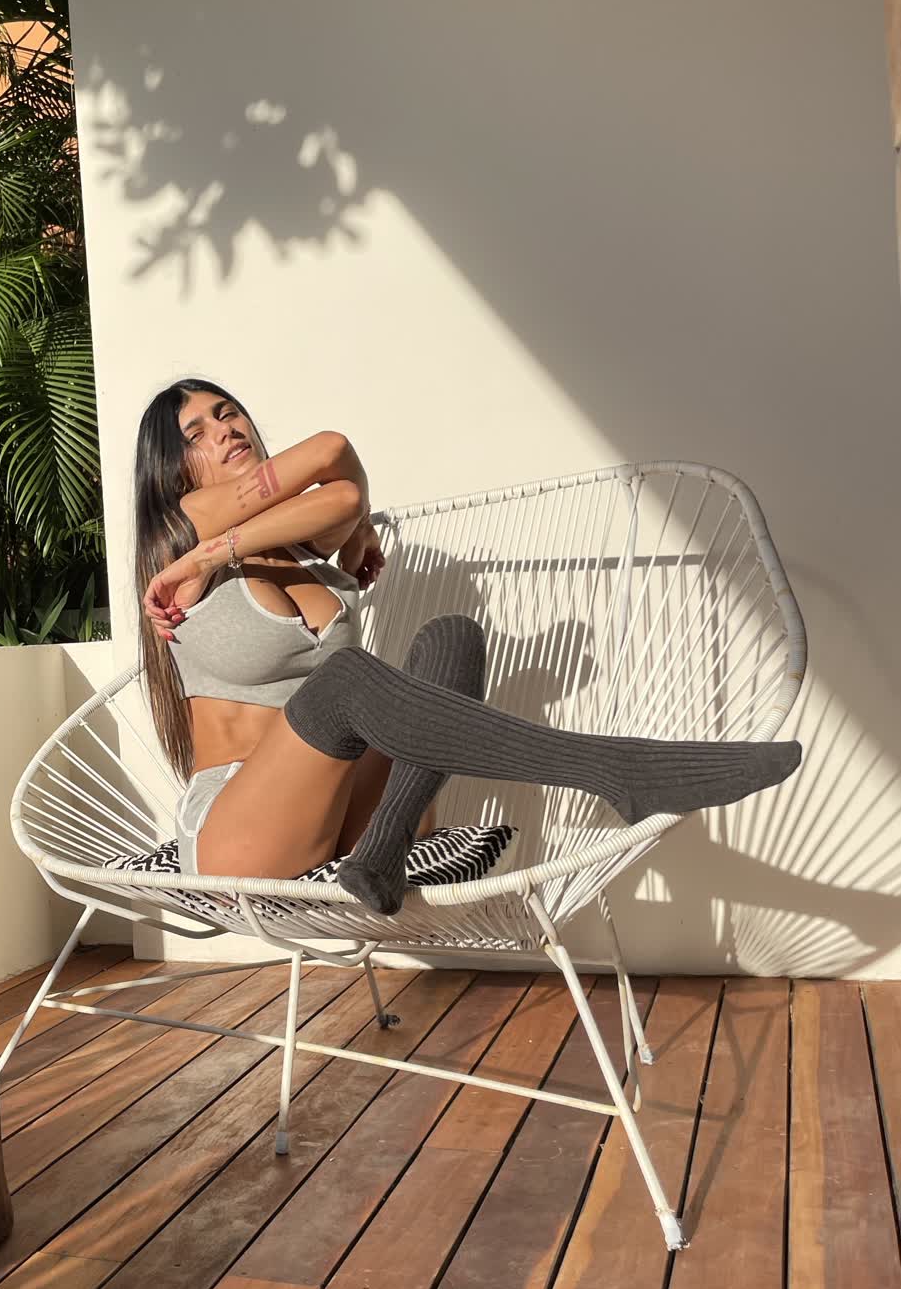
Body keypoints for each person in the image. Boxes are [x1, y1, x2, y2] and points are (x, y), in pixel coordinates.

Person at [133, 378, 802, 914]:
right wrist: (205, 553)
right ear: (174, 472)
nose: (225, 430)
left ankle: (384, 848)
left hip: (334, 812)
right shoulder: (181, 524)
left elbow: (343, 482)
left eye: (228, 414)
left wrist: (344, 525)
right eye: (197, 433)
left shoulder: (282, 544)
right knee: (345, 680)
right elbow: (330, 452)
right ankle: (618, 770)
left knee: (451, 636)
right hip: (236, 836)